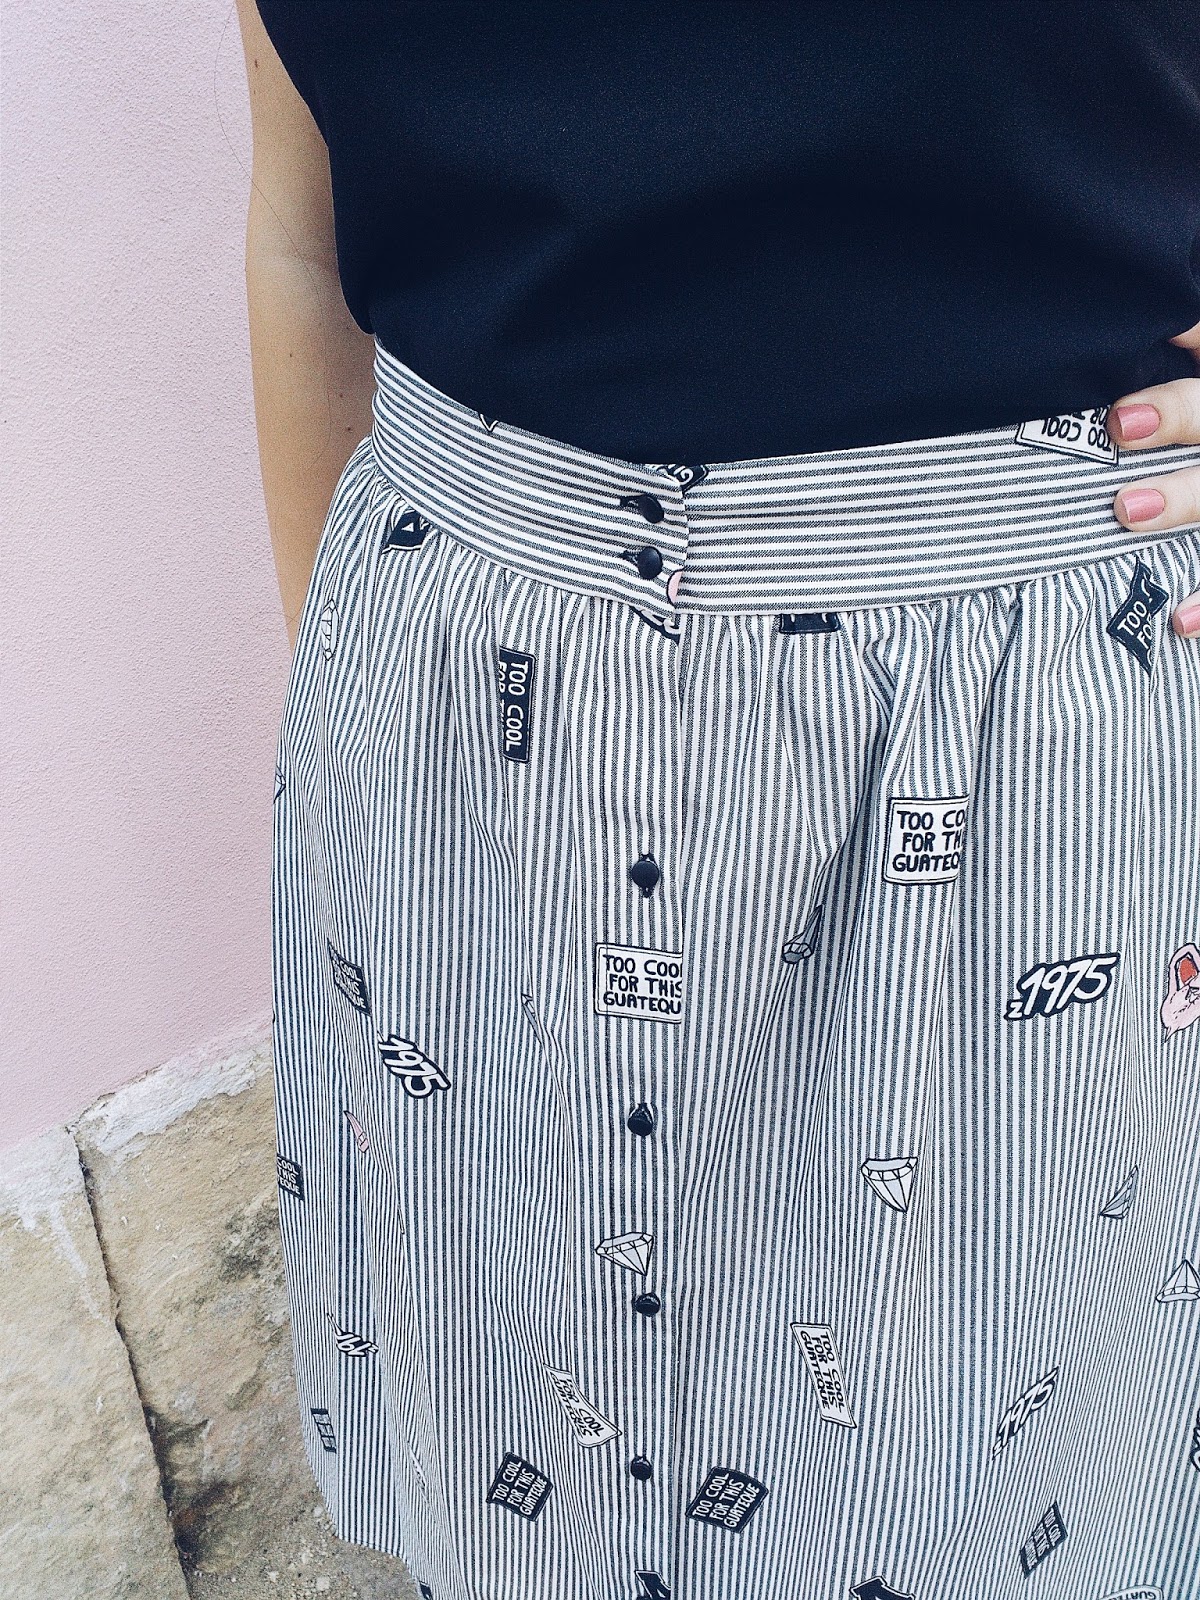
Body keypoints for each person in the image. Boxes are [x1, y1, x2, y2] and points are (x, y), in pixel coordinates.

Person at [234, 6, 1200, 1598]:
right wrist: (355, 735)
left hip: (1012, 763)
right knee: (525, 1421)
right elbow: (300, 231)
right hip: (457, 743)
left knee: (988, 1459)